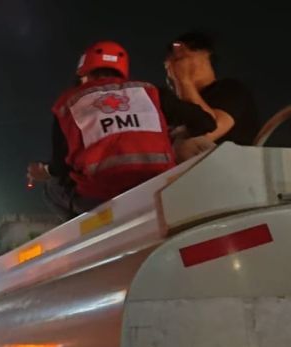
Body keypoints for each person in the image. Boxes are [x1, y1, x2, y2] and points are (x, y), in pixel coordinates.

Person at [27, 41, 216, 219]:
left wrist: (43, 170)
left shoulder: (68, 102)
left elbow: (60, 167)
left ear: (84, 73)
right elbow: (206, 122)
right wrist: (169, 135)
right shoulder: (150, 92)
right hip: (157, 185)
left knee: (52, 187)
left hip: (101, 197)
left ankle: (89, 231)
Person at [165, 32, 258, 155]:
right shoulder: (170, 105)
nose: (175, 65)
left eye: (182, 57)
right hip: (181, 171)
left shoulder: (231, 88)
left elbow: (208, 131)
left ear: (207, 55)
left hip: (227, 166)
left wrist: (184, 80)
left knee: (186, 145)